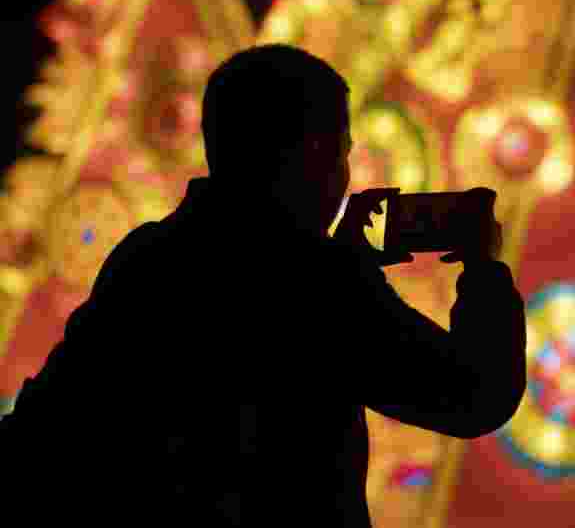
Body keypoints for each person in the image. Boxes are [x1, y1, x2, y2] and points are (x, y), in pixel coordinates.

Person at [0, 44, 526, 526]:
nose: (344, 175)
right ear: (312, 152)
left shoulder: (149, 258)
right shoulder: (317, 281)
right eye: (340, 152)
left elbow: (47, 431)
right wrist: (482, 272)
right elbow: (474, 395)